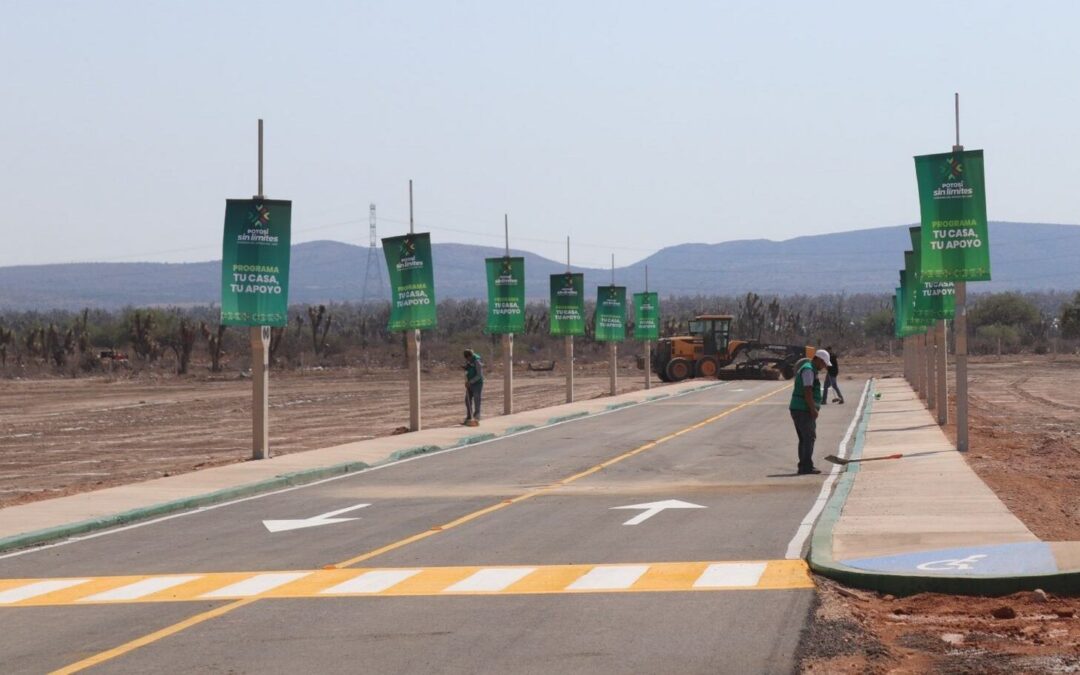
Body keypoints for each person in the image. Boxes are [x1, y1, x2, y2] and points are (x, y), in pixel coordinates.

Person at [789, 349, 830, 475]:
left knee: (805, 438)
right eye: (823, 364)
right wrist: (813, 409)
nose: (824, 367)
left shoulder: (810, 369)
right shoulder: (808, 370)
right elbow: (807, 391)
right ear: (818, 359)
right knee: (808, 438)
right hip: (803, 409)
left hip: (800, 408)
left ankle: (804, 465)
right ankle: (806, 466)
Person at [463, 349, 484, 425]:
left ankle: (476, 417)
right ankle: (469, 416)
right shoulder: (468, 361)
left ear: (470, 356)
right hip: (469, 383)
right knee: (467, 400)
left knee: (477, 400)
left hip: (477, 384)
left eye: (468, 358)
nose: (467, 359)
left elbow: (479, 375)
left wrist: (470, 382)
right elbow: (468, 368)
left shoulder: (477, 362)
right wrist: (465, 368)